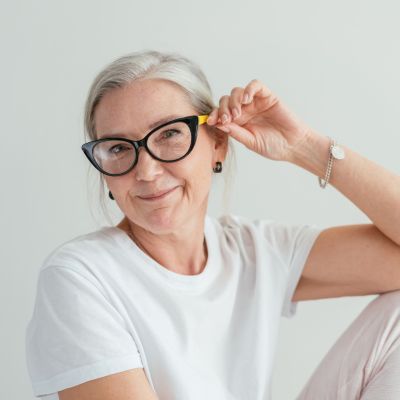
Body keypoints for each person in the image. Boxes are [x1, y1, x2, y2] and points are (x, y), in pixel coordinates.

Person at [25, 50, 400, 400]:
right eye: (119, 148)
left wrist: (306, 146)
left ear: (218, 142)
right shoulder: (80, 277)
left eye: (170, 134)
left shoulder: (254, 251)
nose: (147, 171)